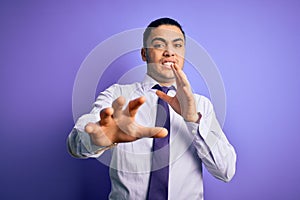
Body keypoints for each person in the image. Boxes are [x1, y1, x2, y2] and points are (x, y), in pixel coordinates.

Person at [67, 17, 236, 199]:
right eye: (159, 44)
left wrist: (193, 119)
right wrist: (96, 139)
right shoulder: (117, 96)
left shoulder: (201, 106)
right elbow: (74, 145)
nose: (169, 52)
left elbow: (225, 171)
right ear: (144, 54)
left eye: (177, 45)